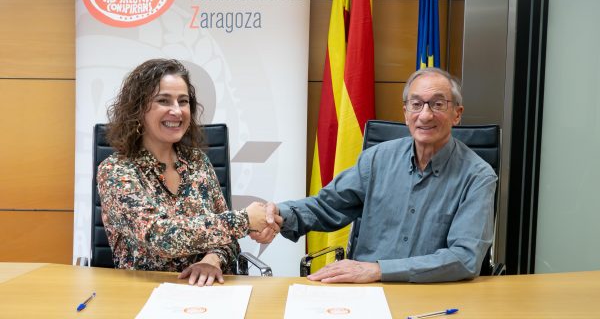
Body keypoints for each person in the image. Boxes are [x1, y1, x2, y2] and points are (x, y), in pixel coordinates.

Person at [253, 67, 497, 283]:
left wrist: (379, 270)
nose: (425, 115)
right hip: (366, 293)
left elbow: (464, 258)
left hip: (433, 297)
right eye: (416, 104)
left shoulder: (477, 176)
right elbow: (327, 206)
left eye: (438, 104)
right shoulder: (377, 159)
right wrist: (279, 215)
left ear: (457, 114)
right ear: (405, 113)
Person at [97, 58, 281, 286]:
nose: (177, 111)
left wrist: (212, 260)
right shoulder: (116, 170)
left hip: (208, 291)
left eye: (183, 101)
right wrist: (245, 220)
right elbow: (159, 236)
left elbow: (228, 241)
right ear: (138, 109)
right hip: (144, 293)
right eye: (163, 100)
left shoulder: (198, 162)